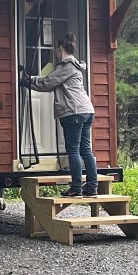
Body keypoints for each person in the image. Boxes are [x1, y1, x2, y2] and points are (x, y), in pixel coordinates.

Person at [20, 33, 98, 197]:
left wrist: (28, 82)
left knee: (74, 150)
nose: (54, 52)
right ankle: (92, 187)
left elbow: (48, 83)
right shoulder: (75, 66)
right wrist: (32, 79)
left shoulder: (66, 66)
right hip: (86, 110)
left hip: (74, 112)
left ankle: (76, 188)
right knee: (86, 150)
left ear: (60, 48)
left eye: (55, 49)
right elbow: (50, 80)